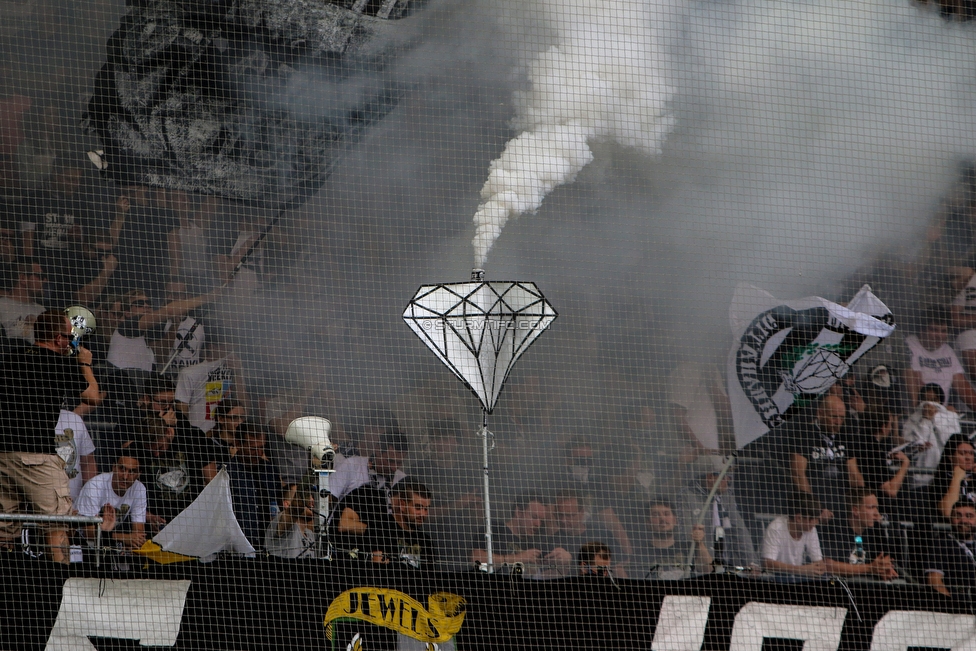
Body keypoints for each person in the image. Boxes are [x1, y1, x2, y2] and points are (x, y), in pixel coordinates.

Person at [0, 310, 99, 563]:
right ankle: (60, 581)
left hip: (2, 457)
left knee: (5, 524)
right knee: (58, 521)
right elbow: (93, 397)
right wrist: (85, 363)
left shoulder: (9, 358)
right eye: (70, 337)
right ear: (58, 339)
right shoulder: (59, 363)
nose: (72, 342)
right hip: (37, 458)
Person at [785, 394, 856, 522]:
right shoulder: (804, 434)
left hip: (842, 506)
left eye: (841, 418)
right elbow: (798, 474)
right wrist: (816, 509)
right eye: (834, 417)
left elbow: (854, 475)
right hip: (813, 507)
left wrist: (860, 504)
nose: (838, 422)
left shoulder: (846, 435)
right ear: (820, 413)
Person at [677, 461, 759, 570]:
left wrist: (751, 562)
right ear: (711, 477)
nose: (729, 480)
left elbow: (740, 531)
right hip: (699, 565)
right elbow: (686, 533)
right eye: (725, 476)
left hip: (728, 564)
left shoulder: (727, 496)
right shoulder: (686, 496)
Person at [904, 306, 976, 413]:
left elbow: (962, 385)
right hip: (919, 412)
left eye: (943, 331)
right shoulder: (909, 345)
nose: (939, 336)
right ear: (922, 329)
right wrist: (938, 410)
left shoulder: (947, 351)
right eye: (934, 330)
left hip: (942, 415)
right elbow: (916, 383)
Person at [819, 488, 898, 581]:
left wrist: (885, 569)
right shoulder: (835, 529)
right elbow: (828, 565)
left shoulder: (876, 529)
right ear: (855, 511)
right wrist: (870, 568)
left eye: (876, 507)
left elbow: (885, 558)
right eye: (871, 508)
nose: (877, 513)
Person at [75, 455, 148, 552]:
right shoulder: (95, 486)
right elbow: (89, 533)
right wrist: (124, 538)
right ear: (114, 467)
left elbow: (139, 533)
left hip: (108, 542)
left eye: (132, 471)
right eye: (122, 469)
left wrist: (133, 542)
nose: (125, 477)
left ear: (139, 473)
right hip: (79, 543)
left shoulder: (139, 489)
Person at [902, 384, 962, 487]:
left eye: (933, 399)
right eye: (926, 399)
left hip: (945, 475)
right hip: (920, 476)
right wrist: (925, 421)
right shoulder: (911, 420)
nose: (929, 404)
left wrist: (937, 418)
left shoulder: (951, 417)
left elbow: (949, 442)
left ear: (939, 400)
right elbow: (916, 444)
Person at [636, 500, 712, 579]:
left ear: (675, 520)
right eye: (656, 515)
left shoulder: (689, 548)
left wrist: (699, 543)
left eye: (666, 514)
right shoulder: (641, 554)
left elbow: (708, 570)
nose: (662, 518)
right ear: (648, 522)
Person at [760, 492, 826, 578]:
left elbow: (818, 562)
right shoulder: (775, 528)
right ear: (798, 518)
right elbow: (768, 564)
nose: (816, 523)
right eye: (814, 519)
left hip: (797, 579)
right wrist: (801, 570)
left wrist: (819, 568)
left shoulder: (811, 529)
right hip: (774, 579)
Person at [470, 494, 547, 566]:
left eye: (541, 520)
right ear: (518, 512)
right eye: (534, 517)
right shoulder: (493, 529)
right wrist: (518, 558)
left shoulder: (535, 543)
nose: (538, 524)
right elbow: (476, 558)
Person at [925, 501, 976, 598]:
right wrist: (954, 607)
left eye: (969, 516)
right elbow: (934, 582)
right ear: (951, 519)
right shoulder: (942, 543)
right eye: (958, 516)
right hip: (960, 607)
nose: (963, 521)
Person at [930, 433, 976, 519]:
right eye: (963, 453)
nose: (968, 457)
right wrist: (957, 478)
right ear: (950, 457)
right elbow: (948, 512)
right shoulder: (942, 480)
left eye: (971, 453)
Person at [0, 260, 46, 344]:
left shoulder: (42, 310)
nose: (44, 280)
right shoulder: (1, 306)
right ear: (23, 278)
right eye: (40, 276)